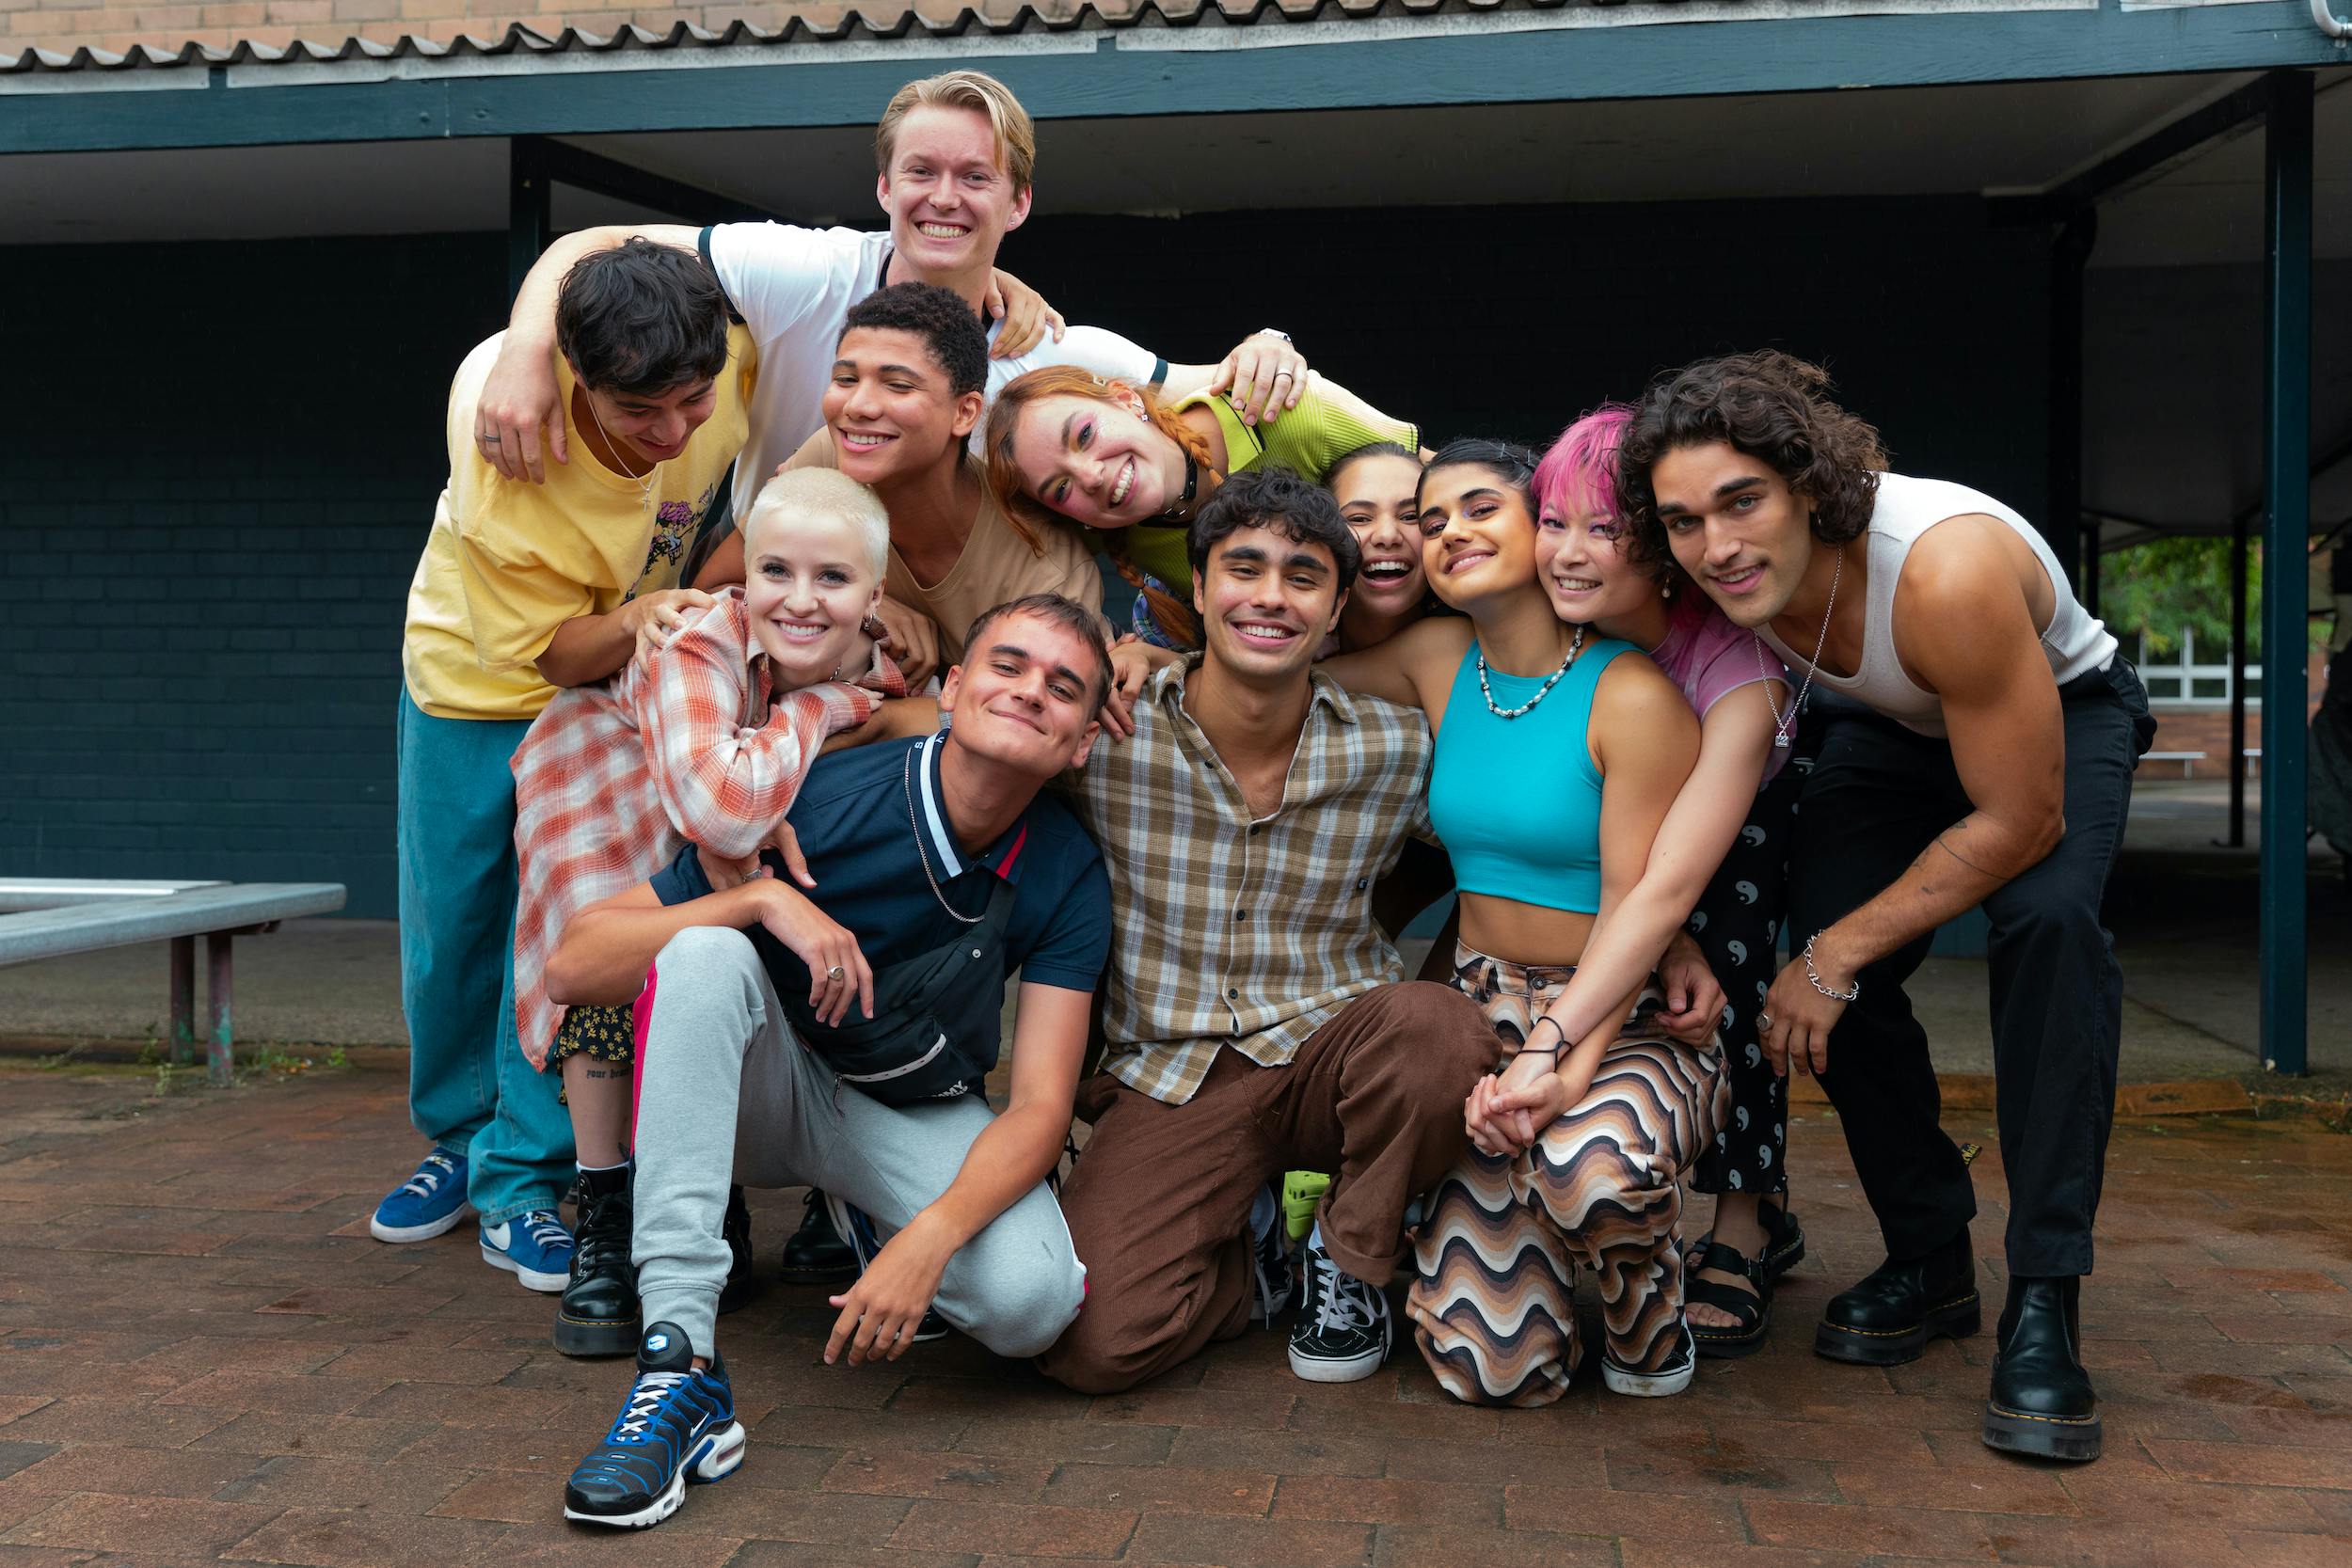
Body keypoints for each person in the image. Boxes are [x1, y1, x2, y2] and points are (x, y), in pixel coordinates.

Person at [1620, 350, 2154, 1462]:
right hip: (1887, 724)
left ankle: (2045, 1299)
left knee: (2043, 929)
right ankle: (1930, 1253)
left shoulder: (1942, 570)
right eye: (1680, 520)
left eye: (1741, 501)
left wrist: (1833, 953)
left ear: (1810, 485)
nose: (1714, 545)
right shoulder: (1715, 577)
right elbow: (1500, 540)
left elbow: (2019, 822)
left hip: (2053, 714)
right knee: (1824, 967)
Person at [546, 594, 1115, 1529]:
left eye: (1062, 687)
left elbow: (1040, 1105)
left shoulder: (1065, 866)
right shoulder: (823, 795)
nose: (1029, 693)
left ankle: (877, 1217)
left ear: (1082, 741)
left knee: (1032, 1302)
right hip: (757, 1085)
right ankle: (680, 1361)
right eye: (1007, 666)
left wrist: (928, 1239)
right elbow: (575, 961)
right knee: (701, 952)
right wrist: (759, 902)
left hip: (901, 1100)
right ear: (954, 688)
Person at [477, 69, 1309, 685]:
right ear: (883, 185)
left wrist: (1270, 341)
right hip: (766, 600)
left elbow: (1215, 393)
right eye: (920, 172)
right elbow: (595, 246)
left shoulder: (1061, 358)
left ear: (1018, 202)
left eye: (975, 177)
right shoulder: (805, 272)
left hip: (952, 661)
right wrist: (522, 350)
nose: (943, 197)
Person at [1031, 467, 1497, 1395]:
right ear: (1197, 590)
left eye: (1303, 575)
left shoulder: (1393, 742)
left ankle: (1350, 1258)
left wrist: (1672, 937)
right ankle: (1259, 1267)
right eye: (1243, 568)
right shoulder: (1106, 734)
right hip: (1172, 1072)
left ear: (1334, 611)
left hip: (1334, 1048)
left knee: (1438, 1029)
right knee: (1092, 1344)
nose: (1270, 597)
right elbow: (967, 736)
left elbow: (1514, 847)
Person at [379, 240, 753, 1291]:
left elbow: (604, 240)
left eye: (696, 401)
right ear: (579, 379)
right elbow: (551, 646)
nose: (680, 431)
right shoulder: (509, 441)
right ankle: (457, 1137)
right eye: (647, 415)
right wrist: (636, 615)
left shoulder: (724, 340)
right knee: (456, 919)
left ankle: (524, 1179)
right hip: (483, 673)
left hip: (613, 686)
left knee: (558, 920)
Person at [1313, 439, 1717, 1406]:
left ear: (1544, 526)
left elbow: (1636, 904)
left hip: (1623, 1017)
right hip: (1481, 1005)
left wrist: (1559, 1062)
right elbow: (1276, 668)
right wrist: (1141, 650)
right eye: (1431, 518)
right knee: (1496, 1373)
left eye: (1479, 507)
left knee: (1589, 1171)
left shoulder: (1631, 692)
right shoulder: (1437, 657)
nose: (1448, 530)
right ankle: (1521, 1241)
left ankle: (1642, 1298)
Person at [508, 468, 906, 1356]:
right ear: (743, 574)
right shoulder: (695, 642)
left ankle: (775, 1192)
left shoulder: (872, 645)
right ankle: (609, 1202)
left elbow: (910, 713)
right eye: (775, 573)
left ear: (873, 595)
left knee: (817, 880)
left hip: (717, 782)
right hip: (604, 784)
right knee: (625, 961)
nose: (800, 601)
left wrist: (859, 709)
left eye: (832, 580)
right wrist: (820, 707)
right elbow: (721, 810)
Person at [1522, 405, 1803, 1356]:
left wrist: (1554, 1045)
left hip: (1737, 833)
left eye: (1603, 529)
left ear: (1659, 545)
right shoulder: (1565, 632)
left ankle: (1745, 1218)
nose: (1566, 551)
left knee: (1732, 968)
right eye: (1552, 522)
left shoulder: (1734, 664)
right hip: (1630, 836)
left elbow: (1672, 882)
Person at [694, 281, 1104, 671]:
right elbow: (709, 593)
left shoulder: (1048, 571)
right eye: (846, 379)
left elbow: (1035, 715)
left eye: (898, 385)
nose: (858, 405)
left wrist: (884, 724)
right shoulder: (829, 454)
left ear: (964, 413)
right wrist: (858, 604)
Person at [984, 364, 1419, 647]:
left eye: (1083, 435)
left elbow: (1437, 486)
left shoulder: (1281, 409)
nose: (1091, 475)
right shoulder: (1136, 546)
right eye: (1061, 489)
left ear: (1125, 399)